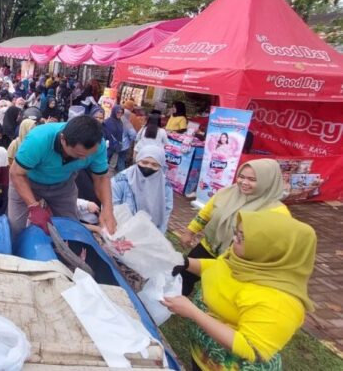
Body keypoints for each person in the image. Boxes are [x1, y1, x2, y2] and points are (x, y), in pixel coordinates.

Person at [164, 211, 316, 371]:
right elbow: (217, 269)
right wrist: (186, 262)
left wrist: (193, 312)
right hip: (206, 357)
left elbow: (250, 348)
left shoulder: (280, 302)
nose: (234, 240)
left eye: (242, 237)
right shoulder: (244, 261)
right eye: (236, 233)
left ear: (270, 249)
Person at [179, 159, 288, 296]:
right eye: (241, 176)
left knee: (216, 292)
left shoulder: (278, 212)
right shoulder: (226, 193)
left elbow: (274, 248)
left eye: (252, 179)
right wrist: (190, 232)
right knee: (185, 274)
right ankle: (174, 302)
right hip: (209, 246)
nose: (244, 182)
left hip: (236, 261)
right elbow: (206, 213)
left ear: (268, 181)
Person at [8, 115, 117, 239]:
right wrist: (33, 206)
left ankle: (65, 254)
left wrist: (108, 208)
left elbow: (101, 178)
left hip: (63, 184)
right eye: (78, 154)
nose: (83, 160)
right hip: (28, 181)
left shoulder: (99, 145)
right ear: (63, 139)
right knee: (16, 227)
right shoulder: (39, 139)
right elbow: (16, 173)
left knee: (71, 226)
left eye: (88, 155)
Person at [111, 146, 173, 233]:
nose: (148, 166)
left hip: (150, 232)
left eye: (154, 164)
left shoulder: (165, 186)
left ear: (160, 166)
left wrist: (159, 234)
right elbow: (112, 206)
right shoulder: (121, 180)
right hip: (122, 230)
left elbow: (166, 210)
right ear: (138, 160)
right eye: (144, 162)